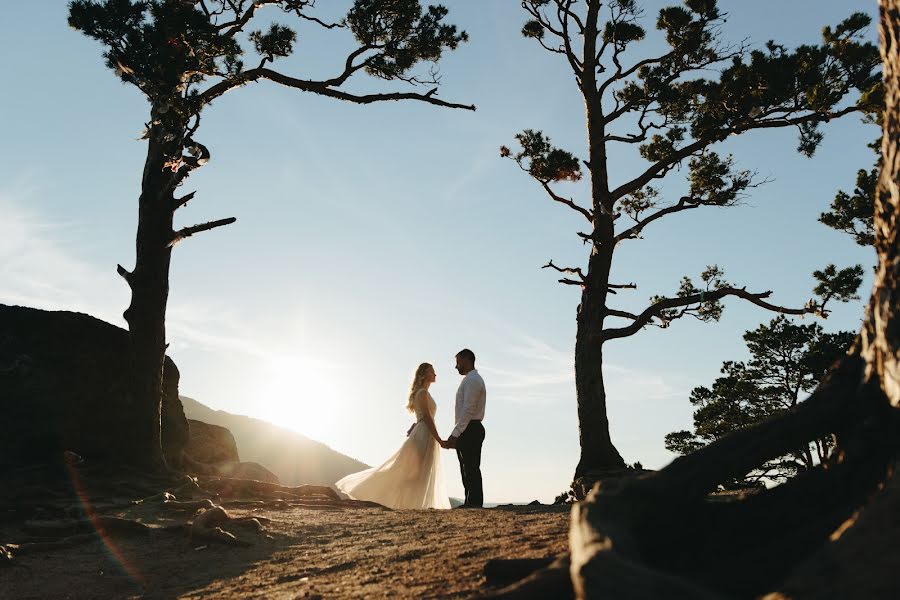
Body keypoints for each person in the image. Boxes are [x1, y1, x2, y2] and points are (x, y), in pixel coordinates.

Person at [335, 363, 450, 509]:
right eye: (432, 372)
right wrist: (439, 439)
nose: (435, 374)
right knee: (415, 472)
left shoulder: (422, 393)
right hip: (424, 434)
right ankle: (404, 503)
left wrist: (417, 426)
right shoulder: (422, 393)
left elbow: (423, 417)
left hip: (425, 432)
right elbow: (426, 417)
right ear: (424, 374)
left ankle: (414, 504)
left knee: (420, 472)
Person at [444, 349, 486, 508]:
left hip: (471, 428)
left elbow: (468, 409)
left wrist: (455, 434)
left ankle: (474, 503)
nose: (456, 366)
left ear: (467, 359)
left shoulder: (473, 380)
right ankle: (470, 501)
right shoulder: (469, 380)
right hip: (467, 428)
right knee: (466, 468)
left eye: (458, 362)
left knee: (471, 468)